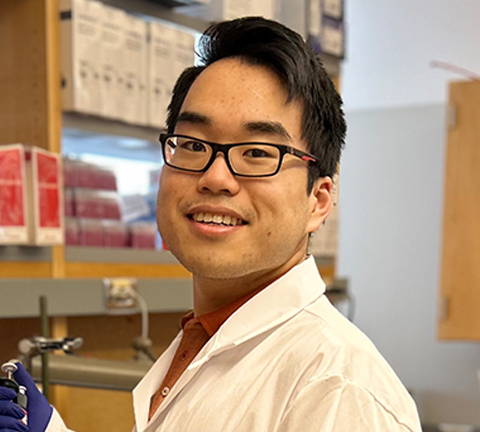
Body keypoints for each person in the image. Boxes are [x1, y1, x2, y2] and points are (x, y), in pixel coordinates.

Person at [0, 16, 421, 432]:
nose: (215, 177)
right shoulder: (203, 337)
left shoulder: (339, 393)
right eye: (194, 144)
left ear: (318, 200)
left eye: (257, 153)